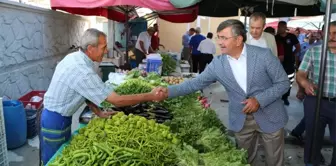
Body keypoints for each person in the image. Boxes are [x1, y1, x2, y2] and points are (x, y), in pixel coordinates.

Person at [155, 19, 290, 166]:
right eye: (218, 37)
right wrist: (168, 91)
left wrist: (259, 100)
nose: (219, 42)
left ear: (238, 40)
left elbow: (283, 83)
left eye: (224, 38)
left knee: (274, 161)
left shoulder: (263, 55)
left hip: (271, 115)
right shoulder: (217, 64)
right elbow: (195, 83)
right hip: (241, 119)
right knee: (244, 161)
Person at [40, 28, 166, 165]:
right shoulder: (82, 70)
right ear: (90, 48)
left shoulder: (76, 58)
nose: (106, 51)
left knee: (59, 155)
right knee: (54, 160)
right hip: (55, 119)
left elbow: (85, 92)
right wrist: (151, 96)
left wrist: (98, 111)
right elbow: (116, 100)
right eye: (103, 47)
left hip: (58, 117)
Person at [275, 21, 301, 105]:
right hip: (278, 63)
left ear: (285, 27)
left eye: (281, 27)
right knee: (278, 80)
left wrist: (292, 54)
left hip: (289, 62)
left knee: (289, 80)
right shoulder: (276, 37)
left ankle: (285, 97)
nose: (279, 28)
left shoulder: (291, 36)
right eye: (279, 27)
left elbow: (298, 47)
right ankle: (278, 97)